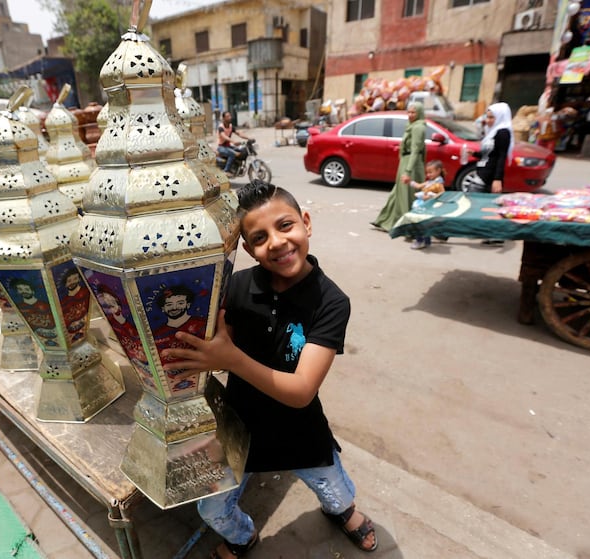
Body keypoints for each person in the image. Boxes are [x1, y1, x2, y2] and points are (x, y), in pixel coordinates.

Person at [166, 181, 378, 557]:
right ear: (247, 248)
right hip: (239, 427)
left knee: (336, 491)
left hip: (300, 431)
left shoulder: (330, 302)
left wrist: (229, 359)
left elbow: (300, 392)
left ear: (306, 223)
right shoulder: (236, 286)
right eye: (260, 237)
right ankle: (243, 536)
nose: (277, 242)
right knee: (211, 508)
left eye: (285, 225)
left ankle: (342, 512)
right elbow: (212, 341)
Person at [371, 101, 426, 232]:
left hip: (410, 165)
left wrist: (408, 171)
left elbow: (415, 150)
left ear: (419, 113)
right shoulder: (411, 125)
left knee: (406, 196)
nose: (410, 115)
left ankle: (407, 226)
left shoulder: (418, 127)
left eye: (414, 112)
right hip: (405, 161)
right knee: (397, 193)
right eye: (409, 112)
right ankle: (384, 220)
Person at [467, 102, 514, 245]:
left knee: (474, 203)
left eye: (492, 117)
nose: (488, 120)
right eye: (487, 117)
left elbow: (501, 157)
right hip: (482, 172)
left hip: (489, 176)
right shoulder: (492, 131)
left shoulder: (503, 132)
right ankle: (491, 234)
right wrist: (474, 153)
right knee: (483, 205)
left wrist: (497, 179)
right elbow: (489, 154)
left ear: (500, 116)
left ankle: (496, 235)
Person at [409, 160, 446, 250]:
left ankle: (420, 241)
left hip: (428, 206)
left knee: (420, 223)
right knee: (423, 223)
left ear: (438, 171)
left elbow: (442, 194)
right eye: (427, 172)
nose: (428, 175)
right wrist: (409, 181)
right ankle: (426, 241)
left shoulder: (438, 183)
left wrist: (430, 197)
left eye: (430, 172)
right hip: (423, 205)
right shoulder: (430, 182)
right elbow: (418, 186)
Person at [217, 111, 251, 178]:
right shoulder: (221, 127)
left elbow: (239, 133)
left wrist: (249, 138)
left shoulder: (230, 126)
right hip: (221, 147)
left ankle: (236, 166)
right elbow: (224, 136)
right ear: (224, 119)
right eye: (227, 116)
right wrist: (233, 141)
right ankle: (226, 171)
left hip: (228, 146)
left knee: (241, 150)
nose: (230, 118)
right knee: (233, 154)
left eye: (230, 116)